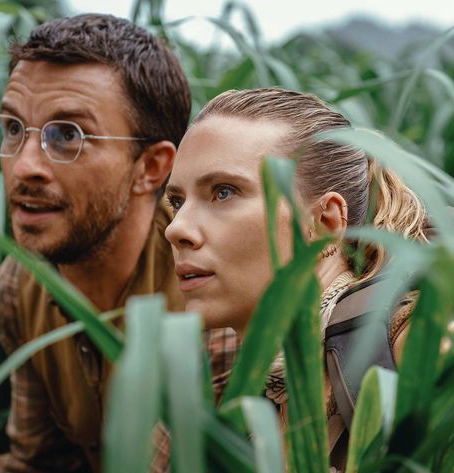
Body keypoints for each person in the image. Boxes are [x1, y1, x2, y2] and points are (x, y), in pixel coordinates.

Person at [163, 87, 428, 469]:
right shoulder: (236, 394)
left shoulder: (415, 352)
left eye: (223, 192)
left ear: (324, 223)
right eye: (176, 201)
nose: (176, 228)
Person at [0, 14, 193, 472]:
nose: (25, 167)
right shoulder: (19, 289)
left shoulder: (210, 289)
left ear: (151, 167)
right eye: (13, 128)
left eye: (67, 135)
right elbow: (38, 461)